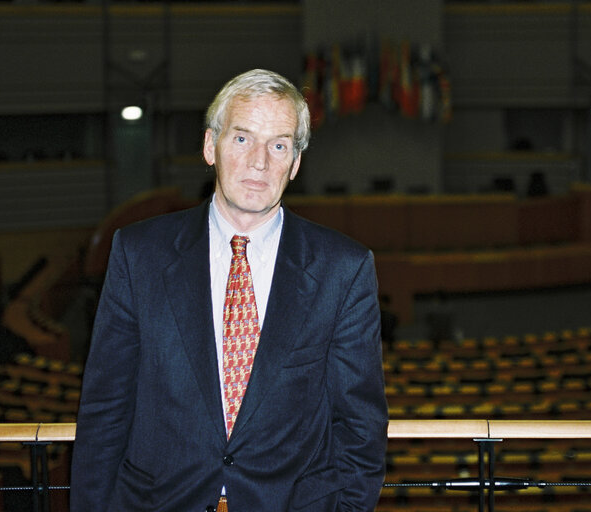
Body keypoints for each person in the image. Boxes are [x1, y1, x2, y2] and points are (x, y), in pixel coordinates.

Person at [71, 69, 388, 511]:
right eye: (242, 139)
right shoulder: (139, 253)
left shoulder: (344, 268)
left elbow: (360, 427)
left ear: (295, 164)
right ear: (209, 147)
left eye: (278, 145)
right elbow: (105, 411)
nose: (259, 161)